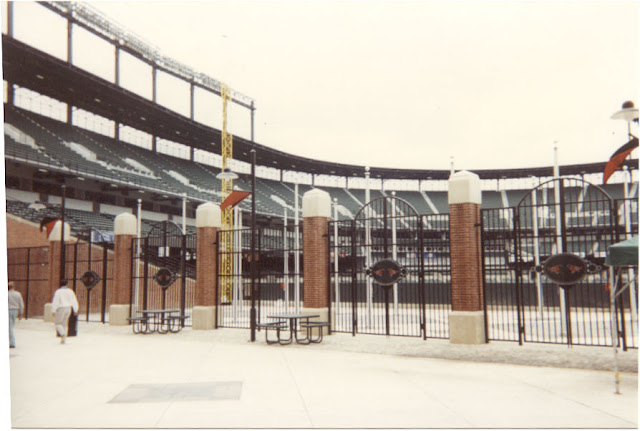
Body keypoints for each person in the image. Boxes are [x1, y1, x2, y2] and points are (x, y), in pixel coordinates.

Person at [51, 279, 79, 344]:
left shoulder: (58, 292)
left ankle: (62, 333)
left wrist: (53, 310)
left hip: (61, 308)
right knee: (65, 323)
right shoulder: (70, 291)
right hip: (68, 308)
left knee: (58, 323)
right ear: (67, 284)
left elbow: (56, 301)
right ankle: (64, 338)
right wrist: (75, 309)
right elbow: (74, 300)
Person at [8, 281, 24, 349]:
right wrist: (21, 313)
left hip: (9, 309)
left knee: (9, 327)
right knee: (11, 326)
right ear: (14, 287)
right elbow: (21, 304)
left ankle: (12, 343)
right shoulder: (18, 294)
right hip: (15, 310)